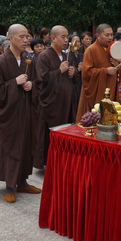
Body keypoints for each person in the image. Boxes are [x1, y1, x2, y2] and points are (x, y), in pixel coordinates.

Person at [0, 24, 41, 203]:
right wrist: (14, 83)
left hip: (24, 112)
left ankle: (22, 181)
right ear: (11, 38)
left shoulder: (28, 60)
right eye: (22, 37)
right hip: (8, 115)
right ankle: (10, 186)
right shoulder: (1, 61)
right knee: (11, 147)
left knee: (25, 144)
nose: (26, 40)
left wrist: (31, 85)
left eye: (28, 37)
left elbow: (36, 82)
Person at [33, 25, 74, 168]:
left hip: (64, 101)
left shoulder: (64, 55)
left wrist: (70, 73)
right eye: (62, 37)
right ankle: (48, 162)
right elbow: (40, 79)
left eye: (67, 37)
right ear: (53, 38)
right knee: (50, 132)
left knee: (65, 130)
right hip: (51, 102)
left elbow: (67, 78)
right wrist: (59, 70)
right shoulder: (45, 55)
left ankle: (62, 159)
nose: (66, 40)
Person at [75, 24, 121, 121]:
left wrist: (118, 66)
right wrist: (105, 71)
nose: (110, 38)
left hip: (110, 87)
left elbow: (118, 70)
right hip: (96, 90)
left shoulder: (112, 49)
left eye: (111, 35)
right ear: (98, 35)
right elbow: (86, 72)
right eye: (107, 35)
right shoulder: (91, 50)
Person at [68, 34, 83, 122]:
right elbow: (70, 71)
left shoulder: (82, 55)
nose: (77, 43)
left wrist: (82, 69)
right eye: (75, 41)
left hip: (81, 83)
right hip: (72, 84)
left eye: (78, 41)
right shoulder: (67, 55)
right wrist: (78, 70)